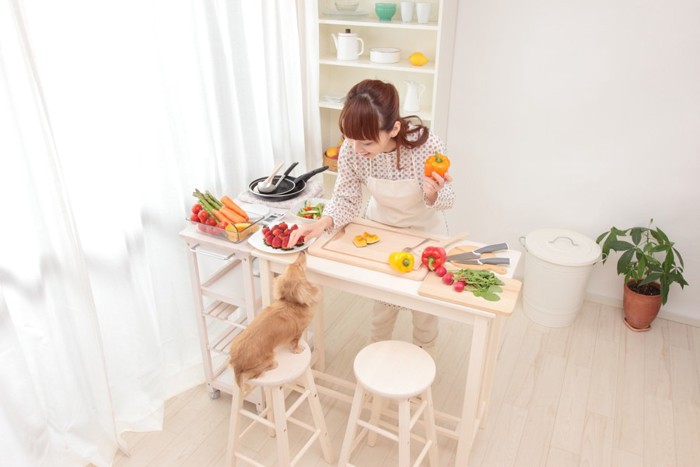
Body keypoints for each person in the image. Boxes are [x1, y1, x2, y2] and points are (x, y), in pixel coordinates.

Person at [288, 79, 454, 354]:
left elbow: (448, 199)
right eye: (350, 139)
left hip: (426, 231)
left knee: (424, 306)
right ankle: (377, 353)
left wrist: (434, 193)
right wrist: (321, 224)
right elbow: (346, 198)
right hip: (381, 229)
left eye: (365, 141)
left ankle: (424, 358)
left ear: (394, 129)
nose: (355, 149)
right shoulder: (351, 151)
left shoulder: (425, 145)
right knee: (383, 304)